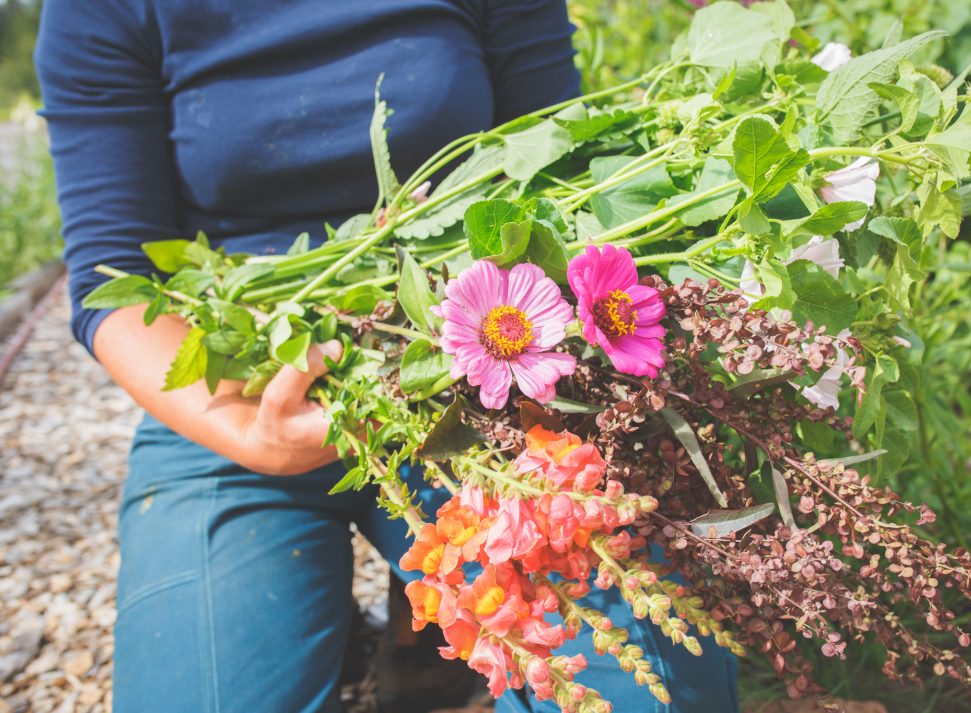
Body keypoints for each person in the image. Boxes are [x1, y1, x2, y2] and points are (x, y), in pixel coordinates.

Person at [35, 1, 739, 711]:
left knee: (648, 688)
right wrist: (252, 436)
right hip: (239, 389)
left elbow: (560, 170)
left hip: (467, 376)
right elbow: (110, 276)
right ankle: (355, 606)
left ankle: (421, 616)